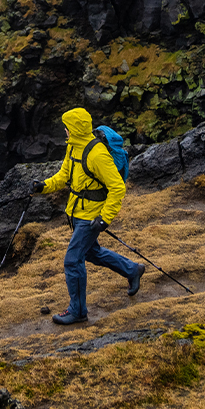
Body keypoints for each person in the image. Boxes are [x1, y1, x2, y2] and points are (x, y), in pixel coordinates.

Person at [33, 107, 145, 325]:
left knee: (72, 261)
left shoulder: (97, 154)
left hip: (90, 217)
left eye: (66, 127)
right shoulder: (74, 147)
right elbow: (64, 175)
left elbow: (117, 187)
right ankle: (133, 270)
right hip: (77, 212)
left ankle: (78, 311)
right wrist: (43, 186)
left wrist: (104, 219)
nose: (64, 131)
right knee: (92, 253)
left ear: (73, 128)